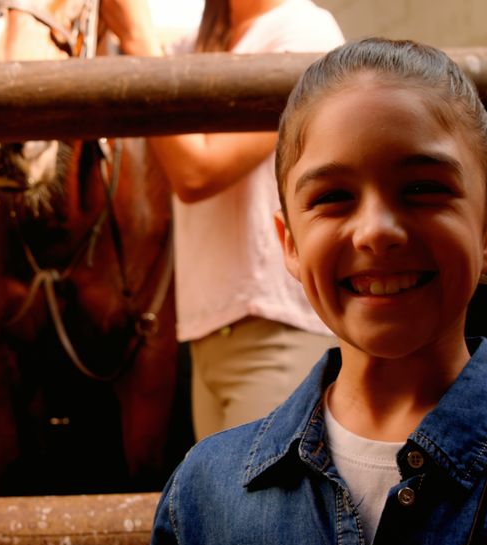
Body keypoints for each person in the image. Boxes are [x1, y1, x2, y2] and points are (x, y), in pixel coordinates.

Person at [145, 37, 487, 545]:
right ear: (289, 244)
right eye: (333, 197)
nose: (377, 232)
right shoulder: (203, 496)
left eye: (424, 189)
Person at [100, 0, 345, 441]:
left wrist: (137, 38)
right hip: (209, 336)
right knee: (226, 509)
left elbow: (198, 172)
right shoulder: (197, 42)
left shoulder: (305, 30)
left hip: (277, 330)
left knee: (262, 507)